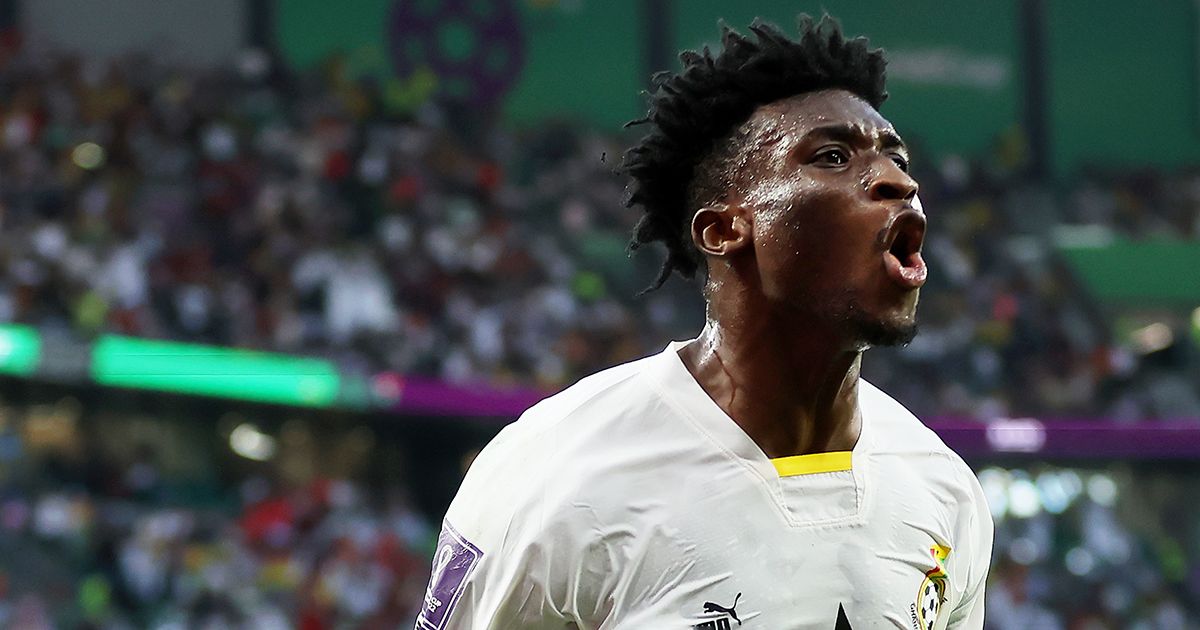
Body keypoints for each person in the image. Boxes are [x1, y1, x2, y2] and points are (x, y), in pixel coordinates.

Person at [417, 15, 992, 630]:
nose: (899, 183)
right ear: (723, 230)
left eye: (897, 159)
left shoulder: (943, 490)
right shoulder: (557, 478)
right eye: (833, 156)